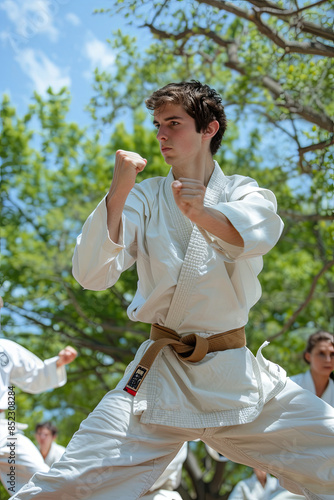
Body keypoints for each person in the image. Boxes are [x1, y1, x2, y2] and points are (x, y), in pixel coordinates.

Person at [11, 81, 334, 500]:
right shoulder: (143, 197)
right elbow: (92, 274)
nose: (161, 134)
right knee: (66, 484)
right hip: (159, 377)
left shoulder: (240, 191)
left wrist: (203, 213)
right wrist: (118, 189)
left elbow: (260, 233)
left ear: (209, 129)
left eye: (174, 123)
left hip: (234, 375)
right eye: (158, 124)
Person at [0, 336, 77, 495]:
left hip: (3, 432)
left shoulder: (5, 348)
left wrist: (58, 363)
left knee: (45, 483)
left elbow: (35, 375)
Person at [290, 331, 334, 405]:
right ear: (308, 356)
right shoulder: (291, 385)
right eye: (321, 353)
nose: (328, 360)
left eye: (332, 354)